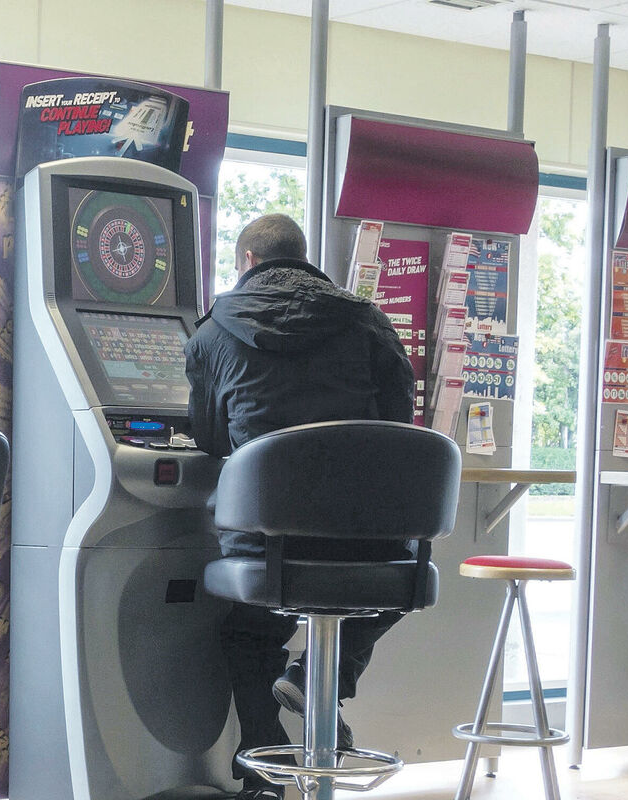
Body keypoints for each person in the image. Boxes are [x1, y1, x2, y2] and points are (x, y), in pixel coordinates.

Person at [184, 213, 416, 800]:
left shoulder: (211, 334)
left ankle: (265, 776)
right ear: (304, 257)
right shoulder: (368, 321)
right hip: (369, 545)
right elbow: (400, 426)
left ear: (247, 261)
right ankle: (319, 679)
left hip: (268, 543)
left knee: (250, 629)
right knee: (401, 577)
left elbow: (210, 438)